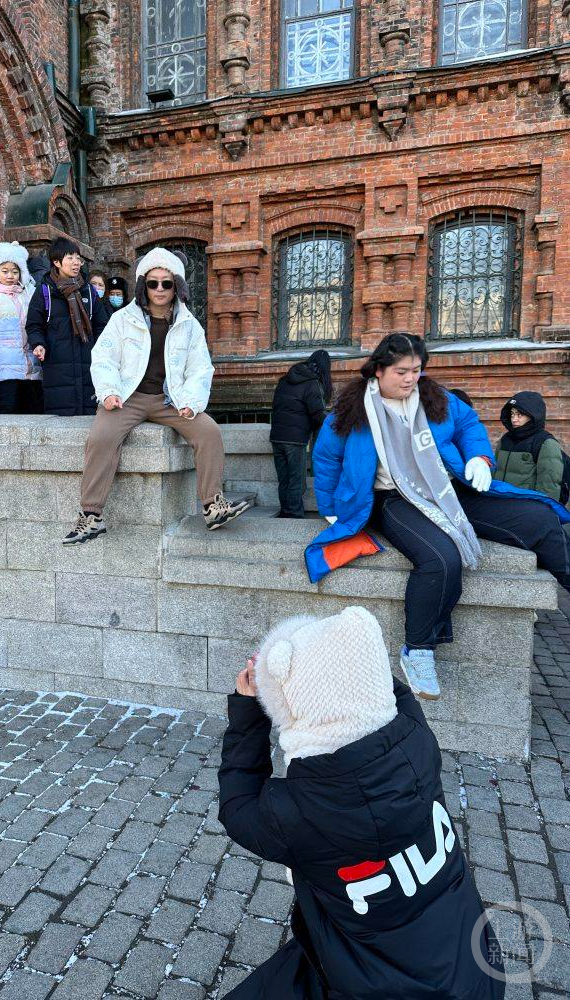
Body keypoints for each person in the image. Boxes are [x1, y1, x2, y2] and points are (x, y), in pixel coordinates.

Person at [217, 606, 505, 1000]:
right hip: (474, 973)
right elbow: (392, 695)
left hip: (375, 986)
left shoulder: (297, 811)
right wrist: (350, 657)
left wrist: (250, 707)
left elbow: (237, 807)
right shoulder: (417, 741)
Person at [308, 333, 570, 700]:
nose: (410, 378)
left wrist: (480, 457)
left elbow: (469, 426)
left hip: (446, 488)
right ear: (378, 370)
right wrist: (332, 509)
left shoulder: (435, 398)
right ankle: (418, 650)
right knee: (441, 558)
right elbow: (326, 459)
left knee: (540, 518)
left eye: (416, 370)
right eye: (401, 371)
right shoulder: (351, 410)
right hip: (391, 498)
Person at [63, 246, 250, 544]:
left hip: (170, 399)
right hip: (128, 396)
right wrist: (109, 392)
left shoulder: (189, 325)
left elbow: (200, 368)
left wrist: (191, 402)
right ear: (143, 285)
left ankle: (213, 506)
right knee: (101, 437)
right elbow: (104, 358)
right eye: (153, 282)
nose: (160, 289)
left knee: (209, 431)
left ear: (177, 285)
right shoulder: (123, 319)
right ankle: (91, 515)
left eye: (167, 282)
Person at [26, 237, 107, 417]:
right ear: (57, 262)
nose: (76, 262)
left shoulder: (89, 291)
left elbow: (102, 326)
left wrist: (100, 351)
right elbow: (33, 325)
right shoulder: (45, 291)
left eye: (78, 258)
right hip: (56, 365)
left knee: (90, 419)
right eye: (70, 258)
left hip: (89, 363)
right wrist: (38, 344)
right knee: (59, 419)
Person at [0, 242, 42, 414]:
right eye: (5, 271)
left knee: (31, 408)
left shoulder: (27, 295)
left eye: (15, 271)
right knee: (7, 407)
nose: (10, 275)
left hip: (29, 362)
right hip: (3, 364)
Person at [270, 350, 332, 518]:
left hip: (276, 436)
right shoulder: (311, 383)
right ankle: (294, 514)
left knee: (284, 479)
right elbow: (318, 413)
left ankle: (285, 511)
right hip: (295, 439)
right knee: (297, 480)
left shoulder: (284, 380)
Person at [493, 391, 568, 504]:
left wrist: (540, 514)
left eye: (520, 414)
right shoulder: (505, 440)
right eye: (512, 414)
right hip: (499, 506)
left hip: (526, 511)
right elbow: (494, 471)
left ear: (533, 415)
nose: (514, 419)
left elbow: (549, 487)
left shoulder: (545, 443)